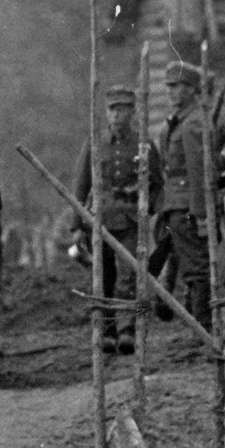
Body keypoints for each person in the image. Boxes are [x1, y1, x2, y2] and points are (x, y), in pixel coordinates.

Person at [71, 85, 162, 353]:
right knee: (104, 277)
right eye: (112, 109)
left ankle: (127, 330)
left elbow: (157, 184)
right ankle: (108, 331)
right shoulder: (95, 143)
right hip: (100, 222)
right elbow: (81, 185)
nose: (117, 115)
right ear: (106, 113)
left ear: (132, 112)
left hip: (132, 222)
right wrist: (77, 226)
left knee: (129, 277)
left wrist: (149, 211)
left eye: (123, 109)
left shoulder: (143, 144)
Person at [156, 61, 225, 330]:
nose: (170, 92)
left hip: (188, 208)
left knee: (198, 268)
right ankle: (194, 320)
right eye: (168, 87)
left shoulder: (193, 124)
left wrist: (201, 213)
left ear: (193, 90)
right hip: (175, 205)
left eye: (177, 87)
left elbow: (199, 173)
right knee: (187, 263)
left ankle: (203, 327)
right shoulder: (180, 121)